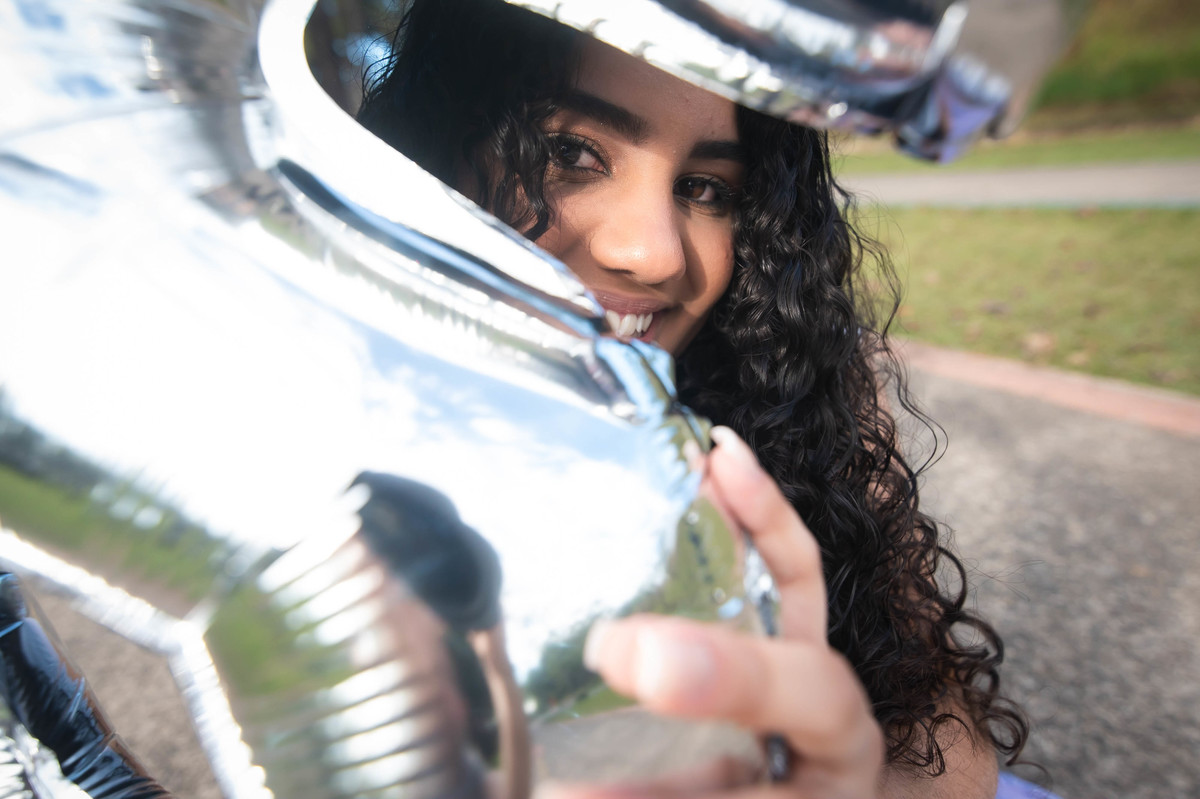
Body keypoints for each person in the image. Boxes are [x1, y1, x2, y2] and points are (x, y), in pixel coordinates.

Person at [358, 0, 1033, 796]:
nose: (652, 254)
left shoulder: (789, 413)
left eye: (707, 189)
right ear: (436, 155)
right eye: (569, 151)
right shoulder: (299, 455)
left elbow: (958, 763)